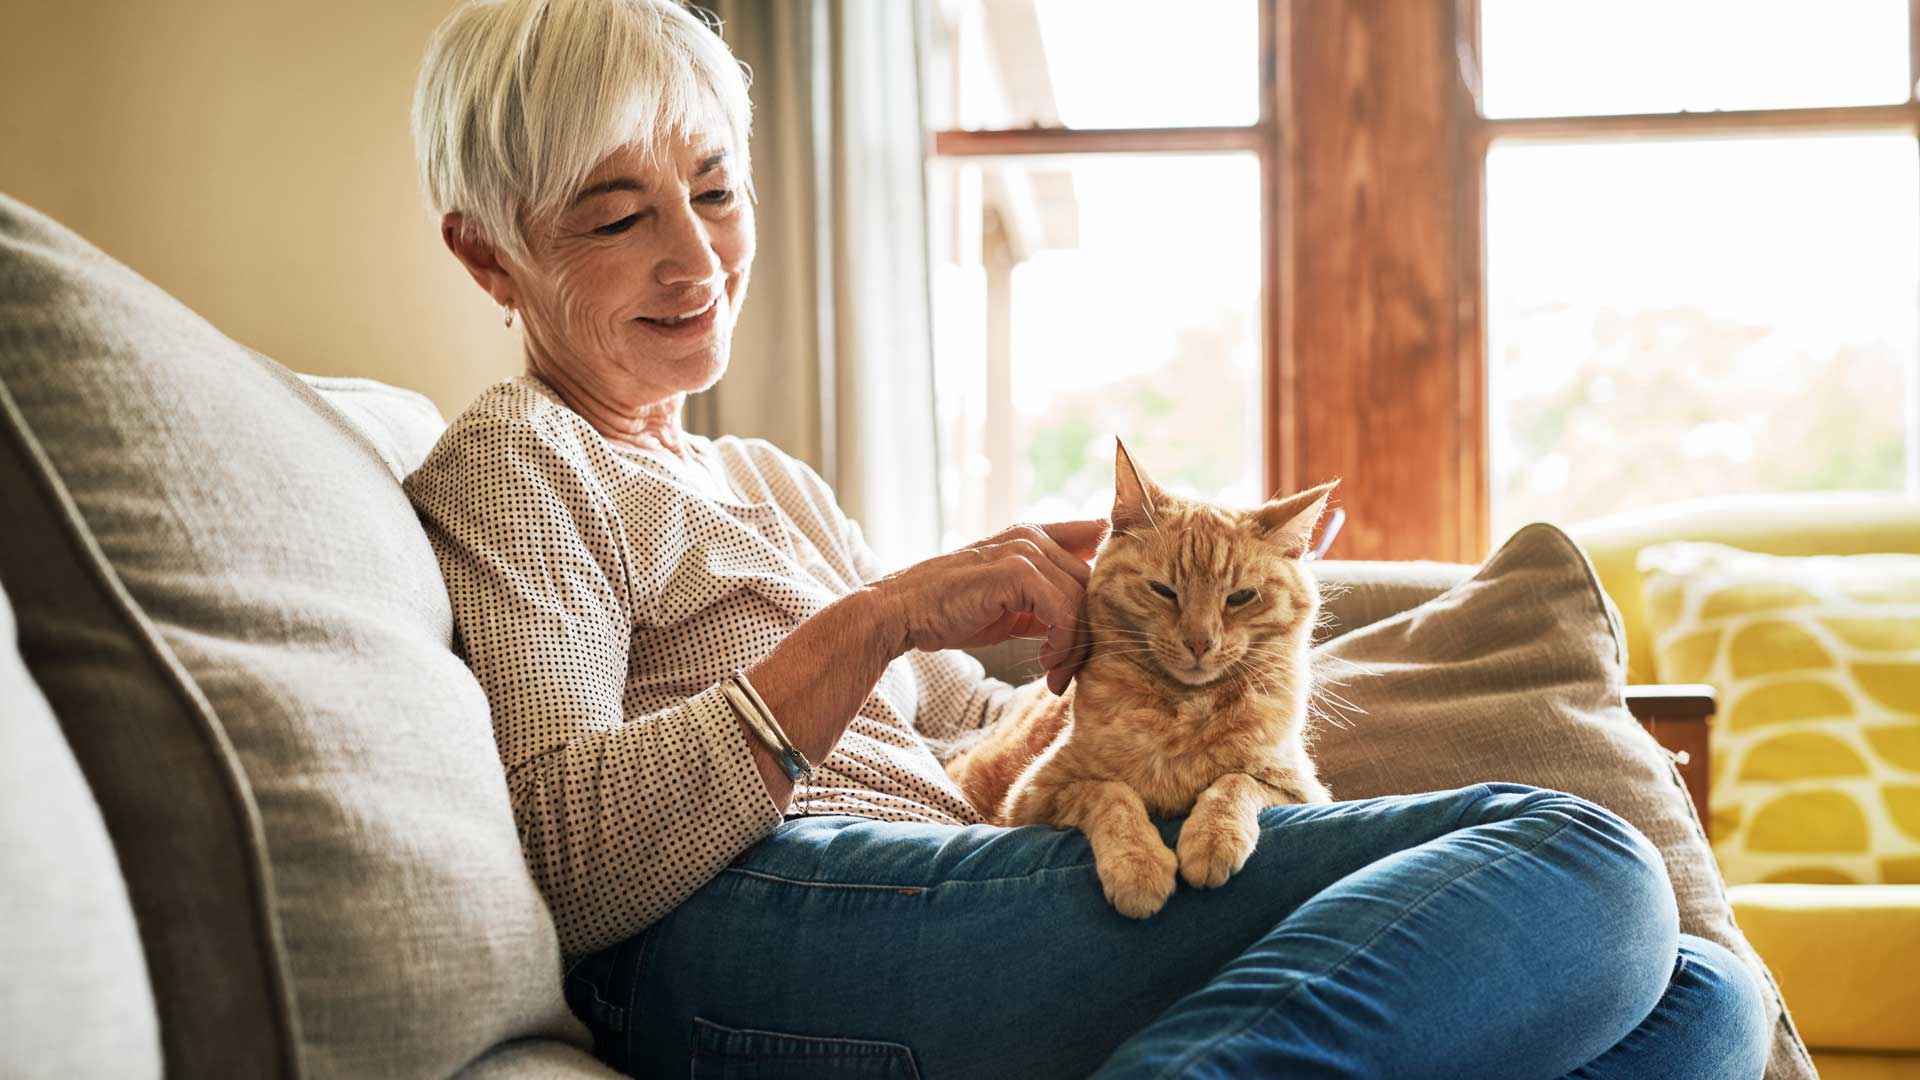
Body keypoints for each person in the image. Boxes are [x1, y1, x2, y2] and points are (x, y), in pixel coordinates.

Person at [403, 2, 1769, 1076]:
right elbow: (567, 863)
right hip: (752, 940)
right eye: (619, 216)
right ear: (488, 256)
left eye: (713, 190)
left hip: (964, 888)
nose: (695, 257)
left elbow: (969, 734)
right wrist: (879, 615)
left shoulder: (764, 477)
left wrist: (1091, 624)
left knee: (1705, 1004)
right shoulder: (522, 460)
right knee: (1582, 862)